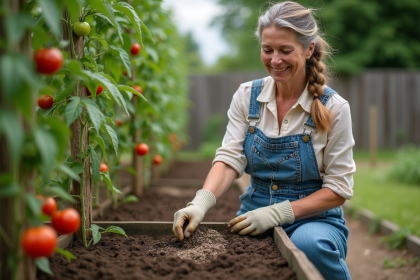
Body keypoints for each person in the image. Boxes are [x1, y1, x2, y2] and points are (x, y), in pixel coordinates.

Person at [173, 1, 355, 279]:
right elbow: (230, 158)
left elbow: (339, 189)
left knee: (309, 246)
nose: (275, 60)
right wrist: (200, 202)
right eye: (267, 50)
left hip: (314, 220)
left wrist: (278, 213)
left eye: (285, 50)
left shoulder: (334, 108)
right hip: (253, 213)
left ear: (309, 49)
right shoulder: (247, 96)